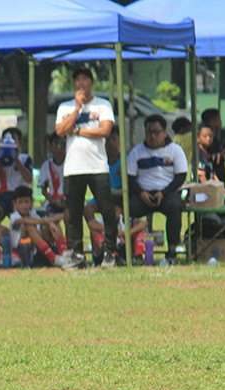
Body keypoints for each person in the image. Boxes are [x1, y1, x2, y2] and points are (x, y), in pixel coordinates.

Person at [55, 66, 119, 268]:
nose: (81, 83)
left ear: (92, 82)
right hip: (73, 168)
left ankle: (110, 252)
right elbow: (60, 131)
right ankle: (78, 254)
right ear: (74, 84)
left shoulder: (103, 105)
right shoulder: (65, 107)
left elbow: (105, 130)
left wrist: (79, 131)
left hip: (97, 166)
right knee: (74, 213)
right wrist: (76, 109)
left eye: (85, 79)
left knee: (107, 210)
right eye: (77, 80)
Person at [126, 114, 188, 264]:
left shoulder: (175, 150)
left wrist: (164, 193)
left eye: (156, 132)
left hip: (167, 192)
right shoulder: (136, 152)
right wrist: (141, 193)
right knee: (129, 208)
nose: (152, 136)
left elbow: (181, 176)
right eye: (149, 132)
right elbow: (130, 178)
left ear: (165, 133)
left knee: (174, 207)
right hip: (143, 193)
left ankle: (172, 250)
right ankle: (132, 250)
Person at [9, 185, 83, 269]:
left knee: (54, 223)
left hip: (40, 250)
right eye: (20, 202)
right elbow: (24, 220)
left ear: (31, 202)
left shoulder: (33, 213)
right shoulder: (14, 216)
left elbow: (59, 216)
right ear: (15, 203)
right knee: (29, 228)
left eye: (26, 202)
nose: (24, 205)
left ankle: (63, 252)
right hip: (23, 253)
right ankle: (54, 258)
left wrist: (50, 222)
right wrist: (47, 221)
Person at [84, 125, 123, 262]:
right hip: (102, 196)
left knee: (120, 210)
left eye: (114, 138)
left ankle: (118, 245)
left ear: (119, 140)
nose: (110, 142)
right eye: (107, 139)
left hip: (121, 198)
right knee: (87, 208)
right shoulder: (99, 160)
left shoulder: (125, 160)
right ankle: (97, 239)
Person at [0, 127, 35, 215]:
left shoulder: (25, 158)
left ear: (19, 142)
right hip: (1, 194)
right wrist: (1, 155)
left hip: (20, 194)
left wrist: (16, 159)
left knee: (21, 214)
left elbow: (29, 179)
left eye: (14, 139)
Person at [200, 108, 225, 187]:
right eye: (219, 118)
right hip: (213, 178)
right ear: (213, 120)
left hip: (217, 176)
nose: (221, 121)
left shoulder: (215, 138)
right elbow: (215, 158)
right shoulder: (209, 142)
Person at [38, 133, 67, 223]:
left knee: (69, 216)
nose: (60, 148)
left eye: (63, 144)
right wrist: (54, 201)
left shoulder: (70, 163)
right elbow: (43, 190)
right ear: (51, 146)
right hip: (52, 200)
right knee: (49, 221)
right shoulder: (46, 166)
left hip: (67, 201)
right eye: (57, 144)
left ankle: (70, 237)